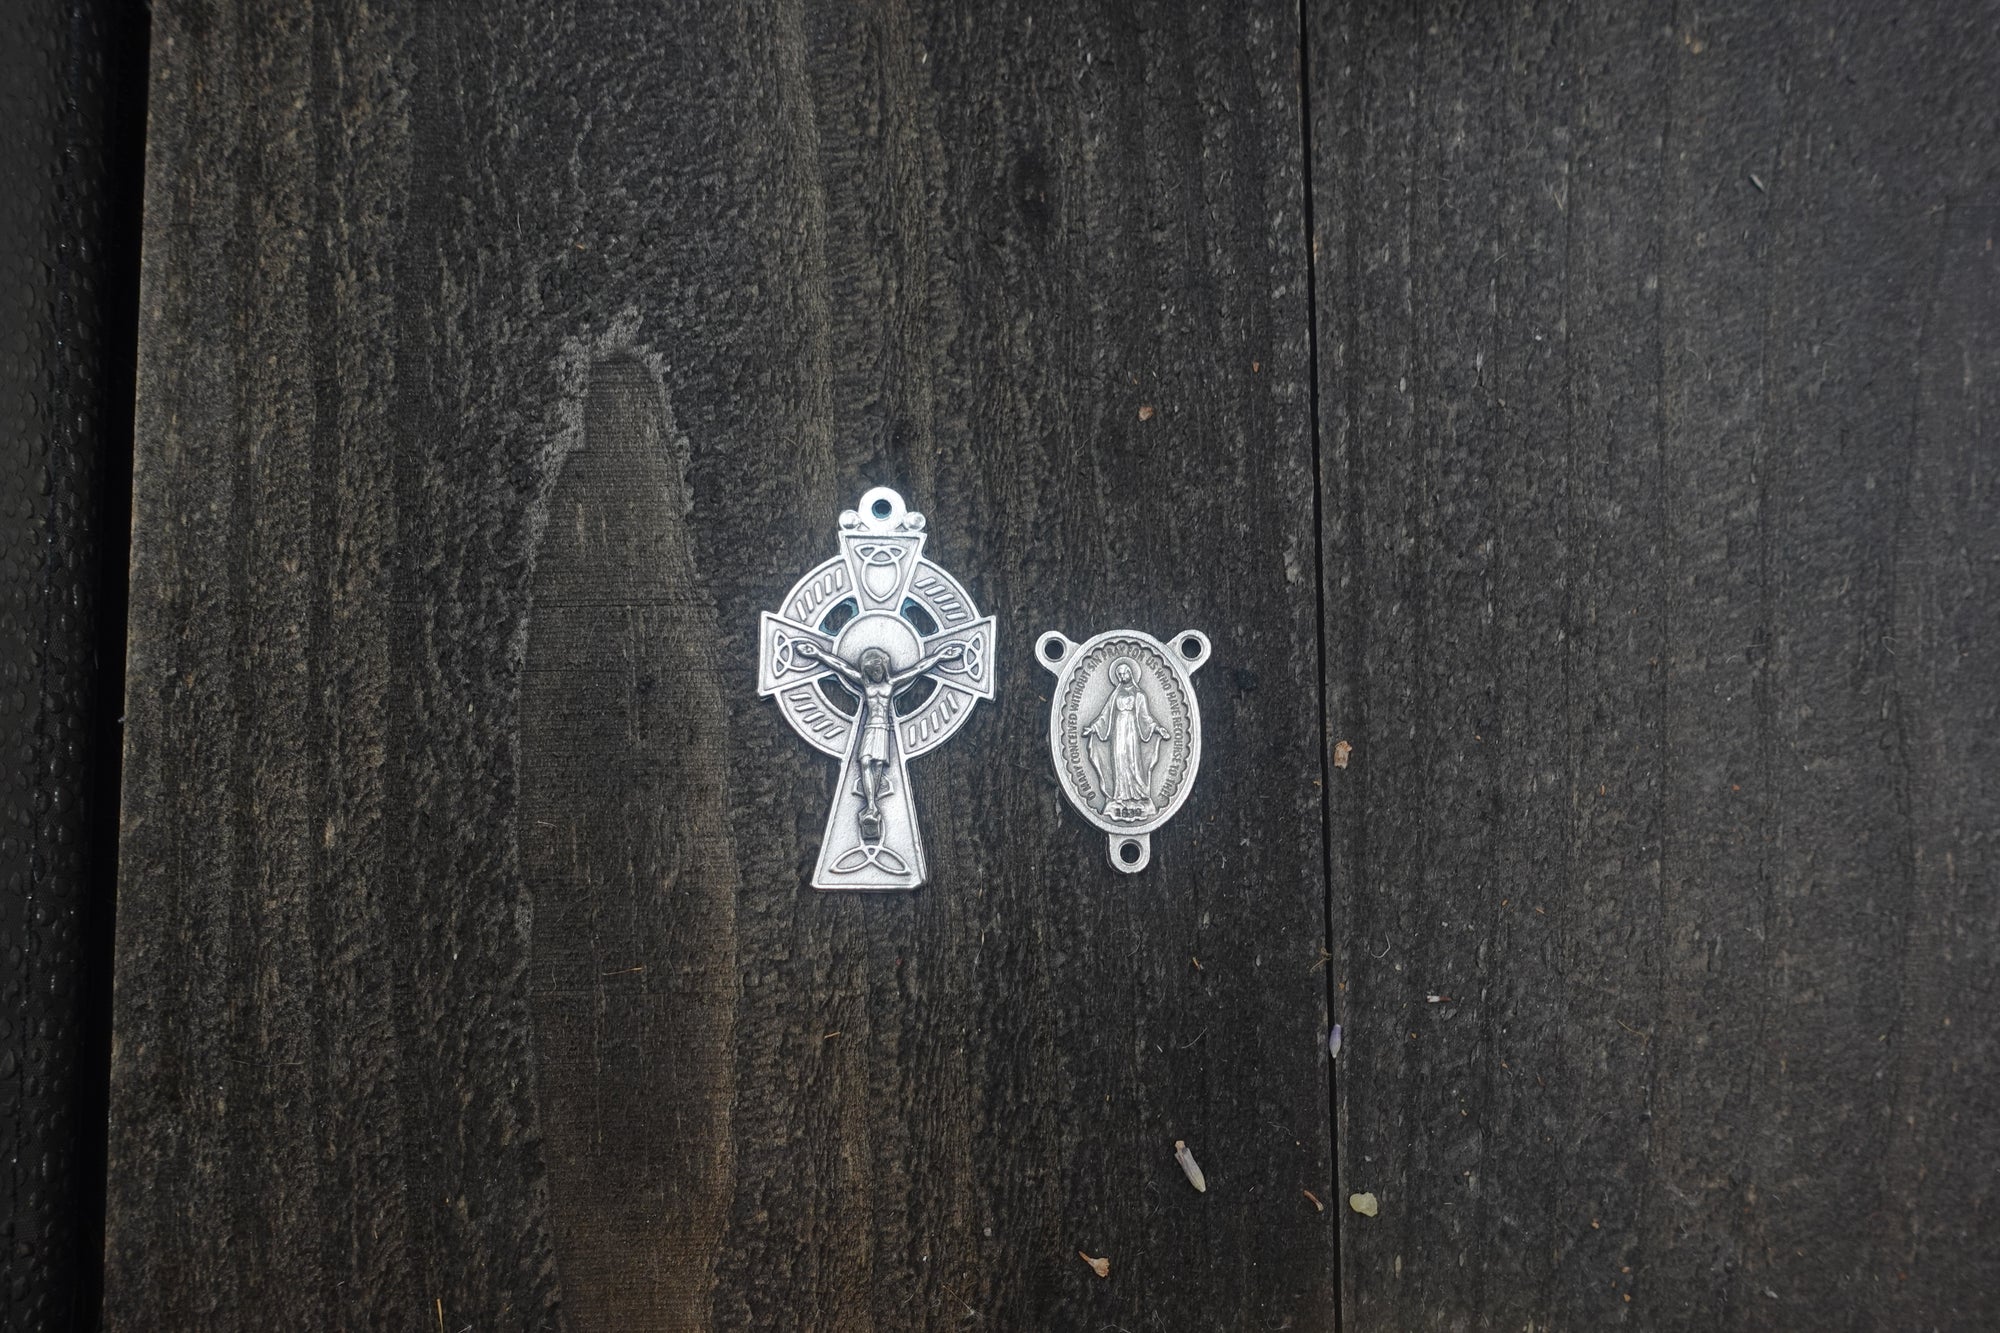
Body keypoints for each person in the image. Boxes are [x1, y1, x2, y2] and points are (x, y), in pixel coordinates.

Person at [800, 639, 965, 841]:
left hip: (883, 728)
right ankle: (870, 805)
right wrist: (817, 653)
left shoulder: (891, 683)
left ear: (883, 668)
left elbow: (918, 669)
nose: (874, 674)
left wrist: (939, 656)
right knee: (865, 761)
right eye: (871, 671)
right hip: (870, 727)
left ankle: (872, 805)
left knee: (877, 764)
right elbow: (841, 667)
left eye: (877, 670)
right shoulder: (864, 683)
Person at [1085, 657, 1166, 821]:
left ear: (1130, 673)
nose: (1122, 677)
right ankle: (1120, 795)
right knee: (1119, 759)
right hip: (1118, 730)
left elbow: (1145, 717)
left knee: (1132, 761)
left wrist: (1158, 728)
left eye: (1124, 673)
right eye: (1119, 674)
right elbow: (1105, 714)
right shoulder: (1115, 695)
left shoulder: (1139, 695)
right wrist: (1093, 727)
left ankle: (1137, 794)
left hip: (1131, 731)